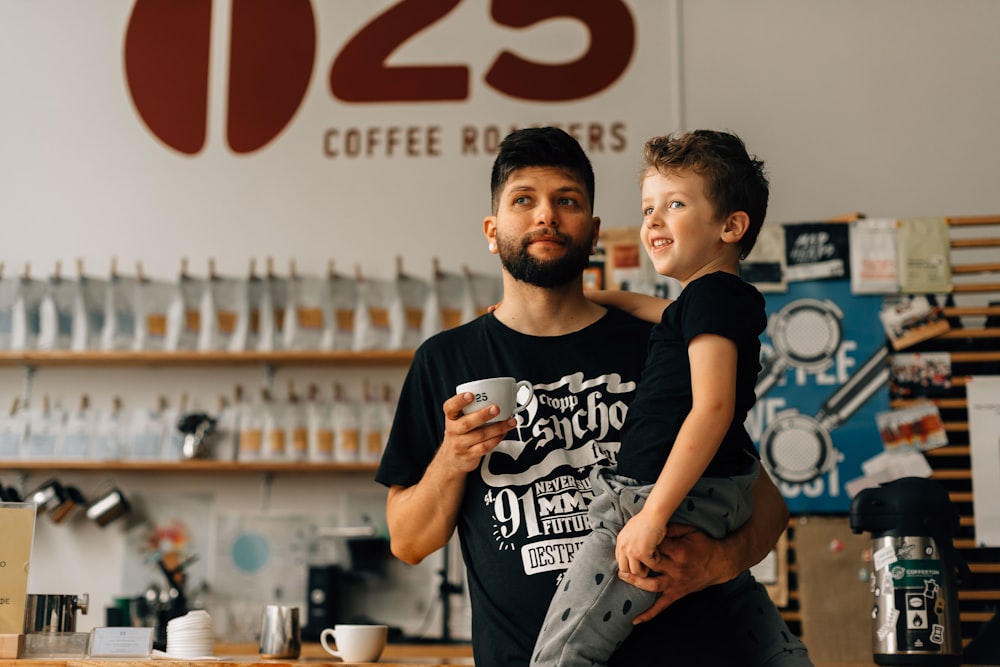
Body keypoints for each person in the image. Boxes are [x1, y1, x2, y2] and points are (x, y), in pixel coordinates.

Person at [375, 126, 805, 666]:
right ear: (492, 229)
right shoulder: (445, 361)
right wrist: (452, 459)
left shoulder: (661, 345)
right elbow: (408, 543)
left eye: (567, 201)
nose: (546, 216)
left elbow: (763, 501)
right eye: (524, 200)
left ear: (594, 230)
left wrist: (721, 560)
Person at [530, 130, 810, 666]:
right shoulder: (713, 302)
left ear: (731, 226)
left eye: (675, 204)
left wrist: (652, 516)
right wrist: (589, 299)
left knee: (564, 651)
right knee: (753, 629)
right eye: (647, 208)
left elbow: (713, 408)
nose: (652, 221)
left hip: (658, 494)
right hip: (718, 495)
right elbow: (654, 311)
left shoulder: (709, 300)